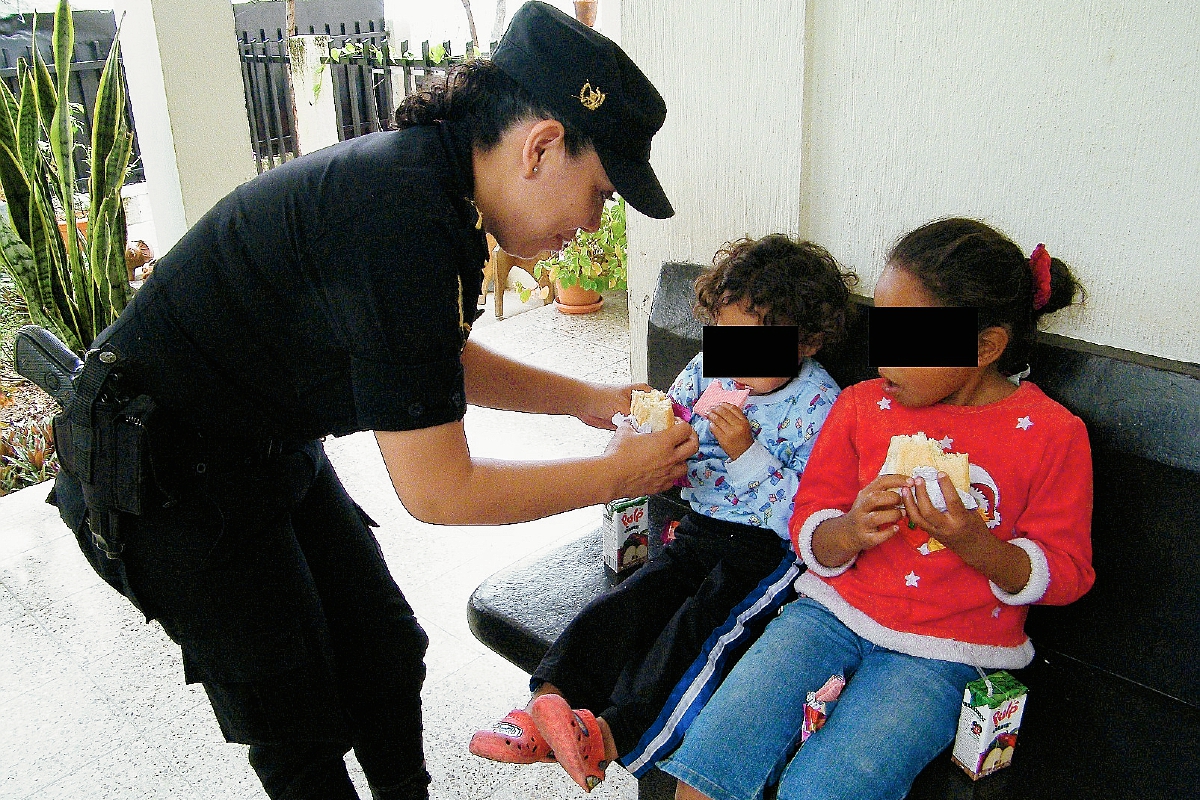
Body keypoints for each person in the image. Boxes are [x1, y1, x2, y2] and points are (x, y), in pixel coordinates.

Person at [45, 4, 698, 800]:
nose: (591, 225)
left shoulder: (438, 183)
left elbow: (425, 353)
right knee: (296, 721)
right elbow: (439, 491)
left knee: (384, 650)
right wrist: (621, 474)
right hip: (164, 476)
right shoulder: (398, 215)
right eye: (600, 194)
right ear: (542, 147)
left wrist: (588, 399)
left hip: (263, 441)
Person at [661, 218, 1096, 800]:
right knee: (719, 743)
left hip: (947, 654)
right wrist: (851, 529)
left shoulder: (1051, 435)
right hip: (826, 615)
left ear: (986, 346)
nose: (881, 356)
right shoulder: (863, 407)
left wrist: (977, 545)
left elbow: (1066, 572)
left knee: (828, 785)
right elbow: (810, 524)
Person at [470, 235, 858, 791]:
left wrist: (748, 456)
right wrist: (645, 443)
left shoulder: (822, 405)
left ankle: (607, 736)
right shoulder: (710, 371)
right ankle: (545, 706)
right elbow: (670, 429)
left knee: (698, 629)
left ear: (808, 343)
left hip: (767, 556)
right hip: (697, 529)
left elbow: (811, 516)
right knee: (627, 604)